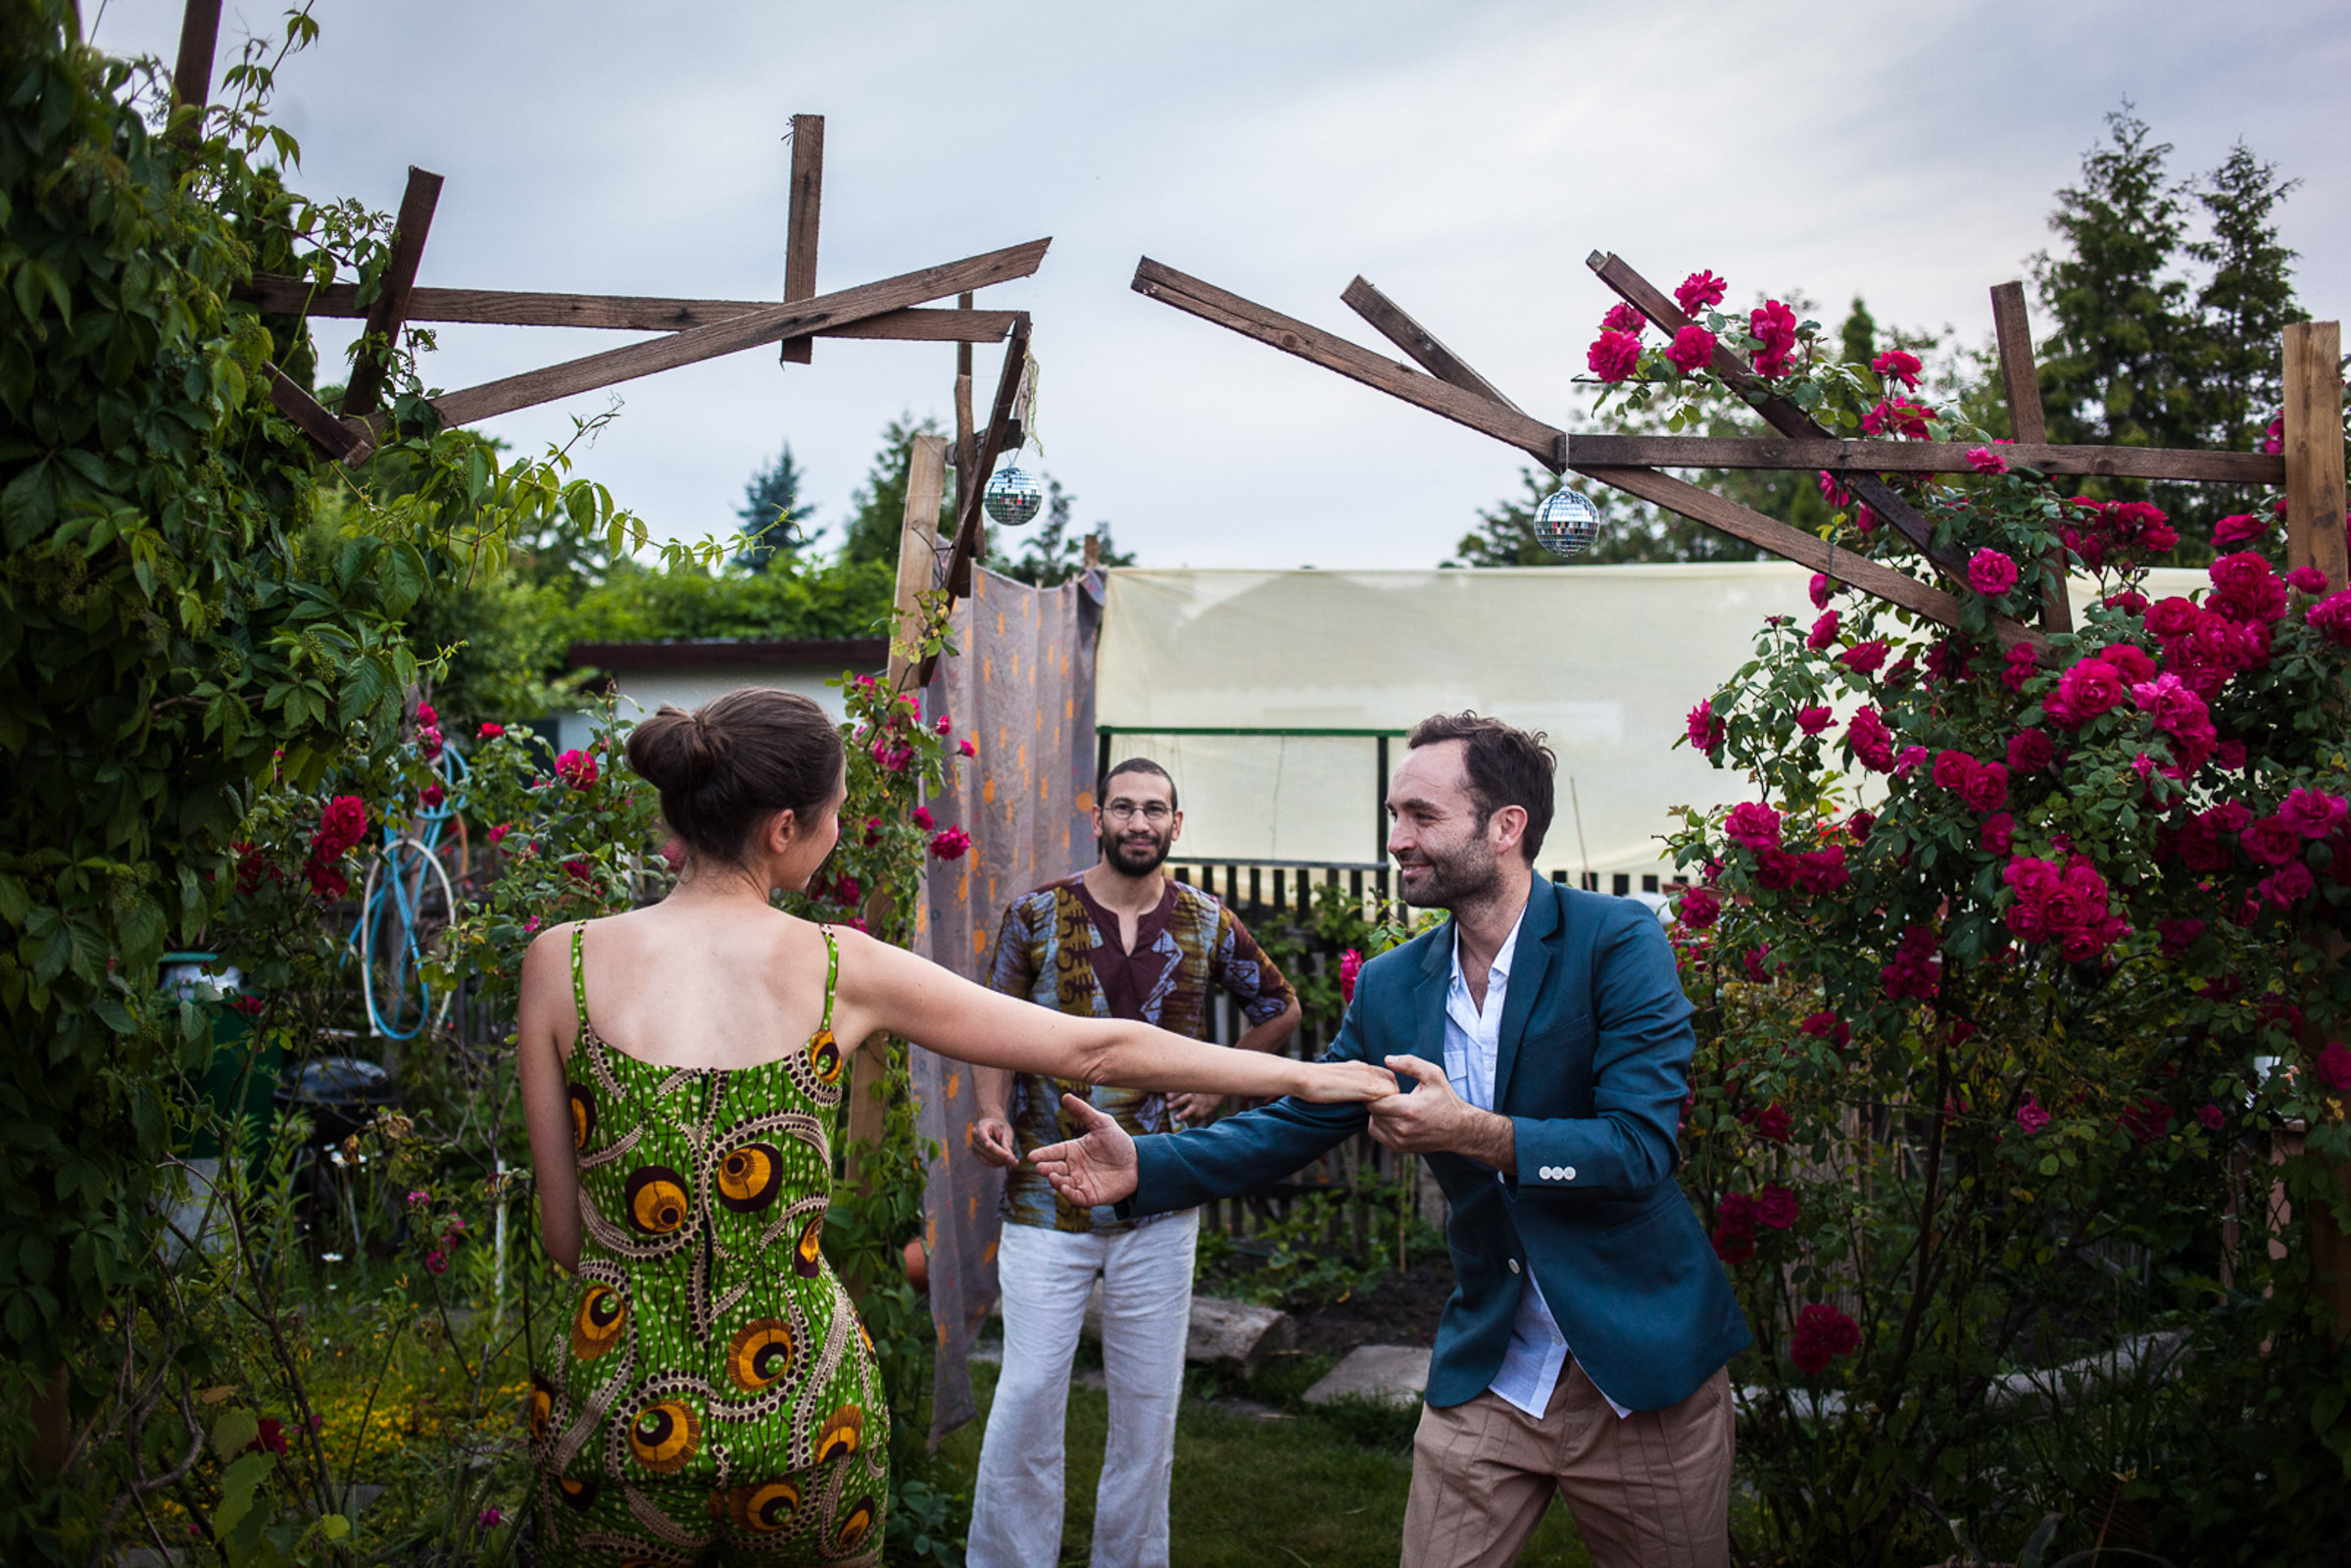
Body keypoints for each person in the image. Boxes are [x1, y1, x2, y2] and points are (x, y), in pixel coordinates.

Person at [514, 690, 1394, 1568]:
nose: (837, 827)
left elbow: (565, 1235)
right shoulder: (838, 965)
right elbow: (1097, 1047)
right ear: (784, 828)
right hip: (799, 1409)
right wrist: (1309, 1075)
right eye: (836, 811)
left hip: (614, 1403)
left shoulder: (561, 961)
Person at [1034, 712, 1751, 1568]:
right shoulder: (1391, 984)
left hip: (1641, 1373)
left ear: (1505, 826)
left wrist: (1477, 1134)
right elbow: (1302, 1118)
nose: (1396, 839)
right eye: (1392, 815)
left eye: (1420, 815)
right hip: (1492, 1370)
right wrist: (1143, 1166)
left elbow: (1637, 1149)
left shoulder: (1615, 942)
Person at [964, 758, 1302, 1568]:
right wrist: (986, 1109)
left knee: (1149, 1409)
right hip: (1044, 1196)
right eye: (1125, 808)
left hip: (1160, 1194)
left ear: (1175, 826)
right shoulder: (1035, 915)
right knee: (1027, 1396)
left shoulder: (1207, 921)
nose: (1139, 823)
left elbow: (1279, 1008)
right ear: (1099, 819)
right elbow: (986, 1024)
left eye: (1155, 810)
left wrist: (1215, 1086)